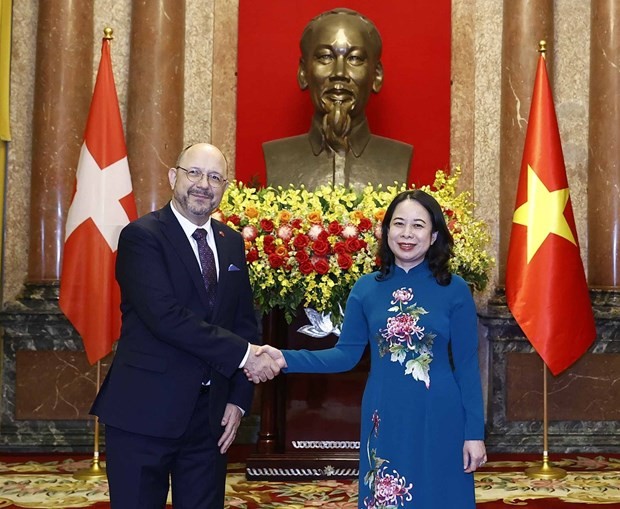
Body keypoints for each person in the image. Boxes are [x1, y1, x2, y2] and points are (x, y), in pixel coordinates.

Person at [253, 190, 486, 508]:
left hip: (441, 414)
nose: (407, 234)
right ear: (386, 230)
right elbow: (344, 355)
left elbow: (468, 364)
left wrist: (474, 432)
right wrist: (284, 357)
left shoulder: (455, 289)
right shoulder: (365, 289)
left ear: (433, 236)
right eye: (399, 224)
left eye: (418, 226)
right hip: (385, 412)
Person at [91, 143, 280, 508]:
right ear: (173, 177)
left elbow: (244, 323)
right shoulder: (141, 237)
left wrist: (238, 402)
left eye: (214, 177)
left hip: (210, 422)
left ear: (224, 187)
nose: (203, 184)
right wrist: (247, 356)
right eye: (194, 173)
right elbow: (167, 318)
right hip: (143, 414)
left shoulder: (231, 243)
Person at [263, 8, 413, 190]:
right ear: (303, 73)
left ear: (376, 76)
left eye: (355, 58)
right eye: (326, 57)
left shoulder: (398, 158)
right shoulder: (277, 156)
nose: (339, 73)